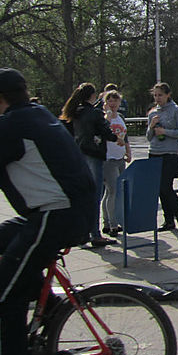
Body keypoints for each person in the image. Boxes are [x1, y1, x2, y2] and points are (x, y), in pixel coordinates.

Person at [0, 69, 93, 355]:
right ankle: (52, 310)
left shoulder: (11, 125)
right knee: (0, 236)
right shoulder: (36, 114)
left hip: (57, 215)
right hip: (65, 211)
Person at [60, 82, 122, 247]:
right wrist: (117, 139)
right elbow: (106, 132)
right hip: (94, 154)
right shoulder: (93, 113)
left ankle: (82, 232)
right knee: (95, 195)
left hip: (80, 155)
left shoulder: (74, 112)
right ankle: (95, 233)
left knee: (84, 195)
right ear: (93, 96)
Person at [146, 82, 178, 233]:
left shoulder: (176, 110)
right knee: (159, 189)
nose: (158, 98)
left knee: (167, 187)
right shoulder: (153, 113)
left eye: (160, 95)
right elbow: (149, 137)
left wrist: (165, 131)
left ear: (168, 95)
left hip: (170, 153)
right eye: (155, 95)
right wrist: (151, 126)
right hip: (154, 152)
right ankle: (168, 220)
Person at [101, 90, 132, 236]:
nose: (113, 104)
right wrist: (107, 117)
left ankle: (108, 221)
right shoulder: (103, 118)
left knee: (114, 192)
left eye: (115, 101)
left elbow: (124, 137)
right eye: (110, 101)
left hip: (120, 158)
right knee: (111, 191)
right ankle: (111, 224)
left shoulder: (120, 117)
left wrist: (128, 152)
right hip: (108, 159)